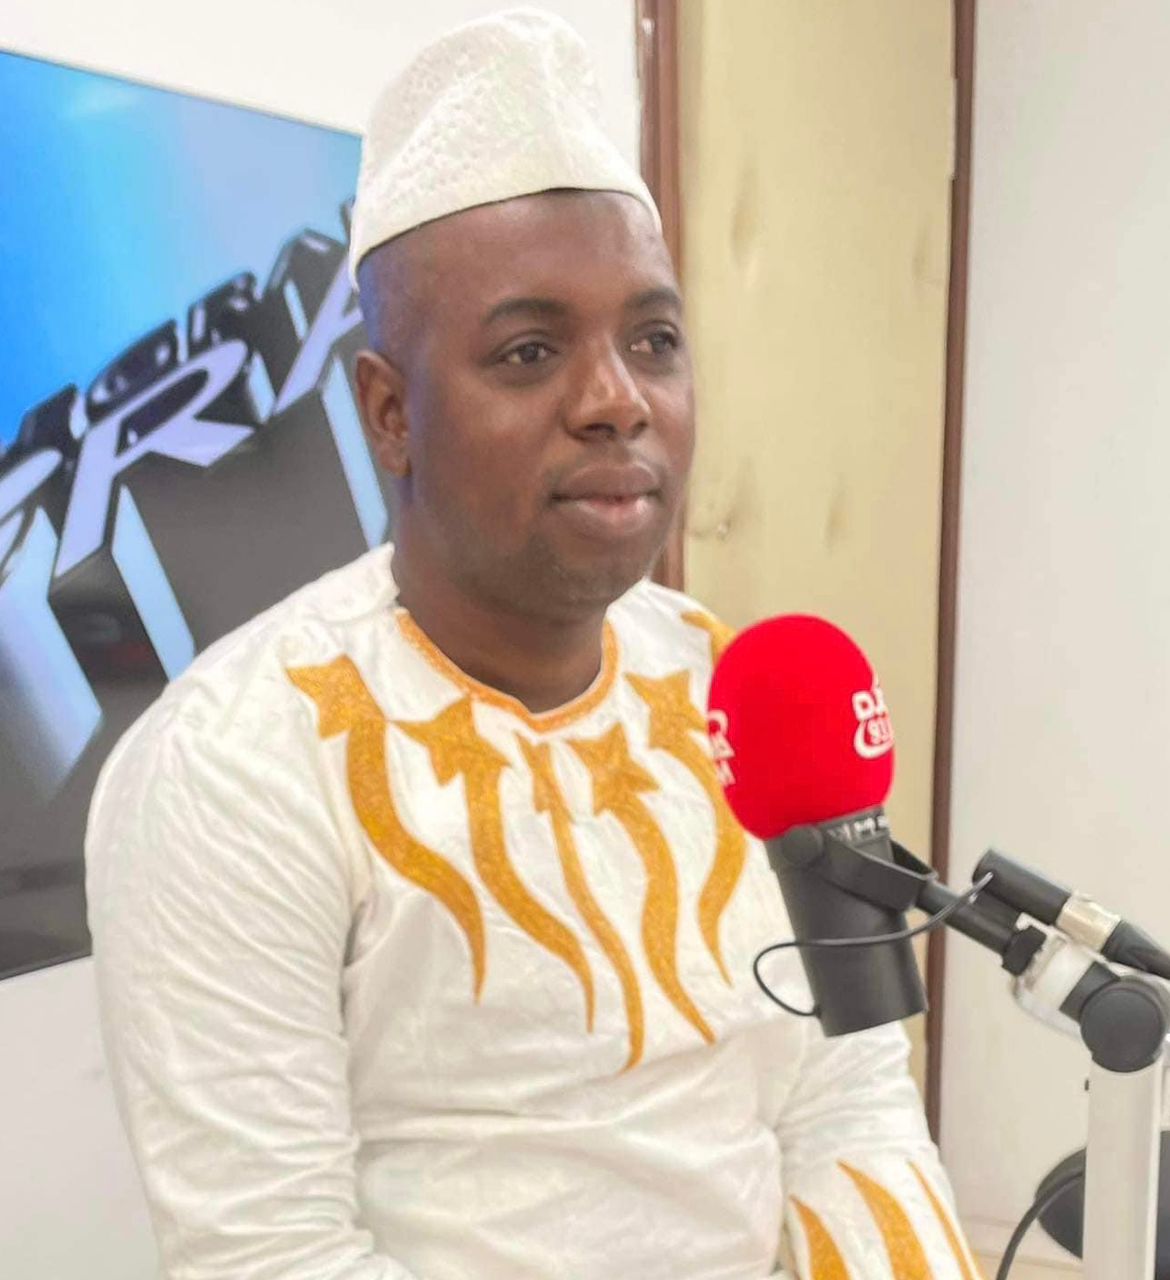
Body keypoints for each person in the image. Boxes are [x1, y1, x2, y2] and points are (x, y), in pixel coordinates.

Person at [87, 10, 980, 1279]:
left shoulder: (738, 690)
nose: (618, 398)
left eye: (654, 340)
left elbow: (851, 1102)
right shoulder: (233, 767)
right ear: (389, 412)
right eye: (530, 350)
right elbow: (270, 1255)